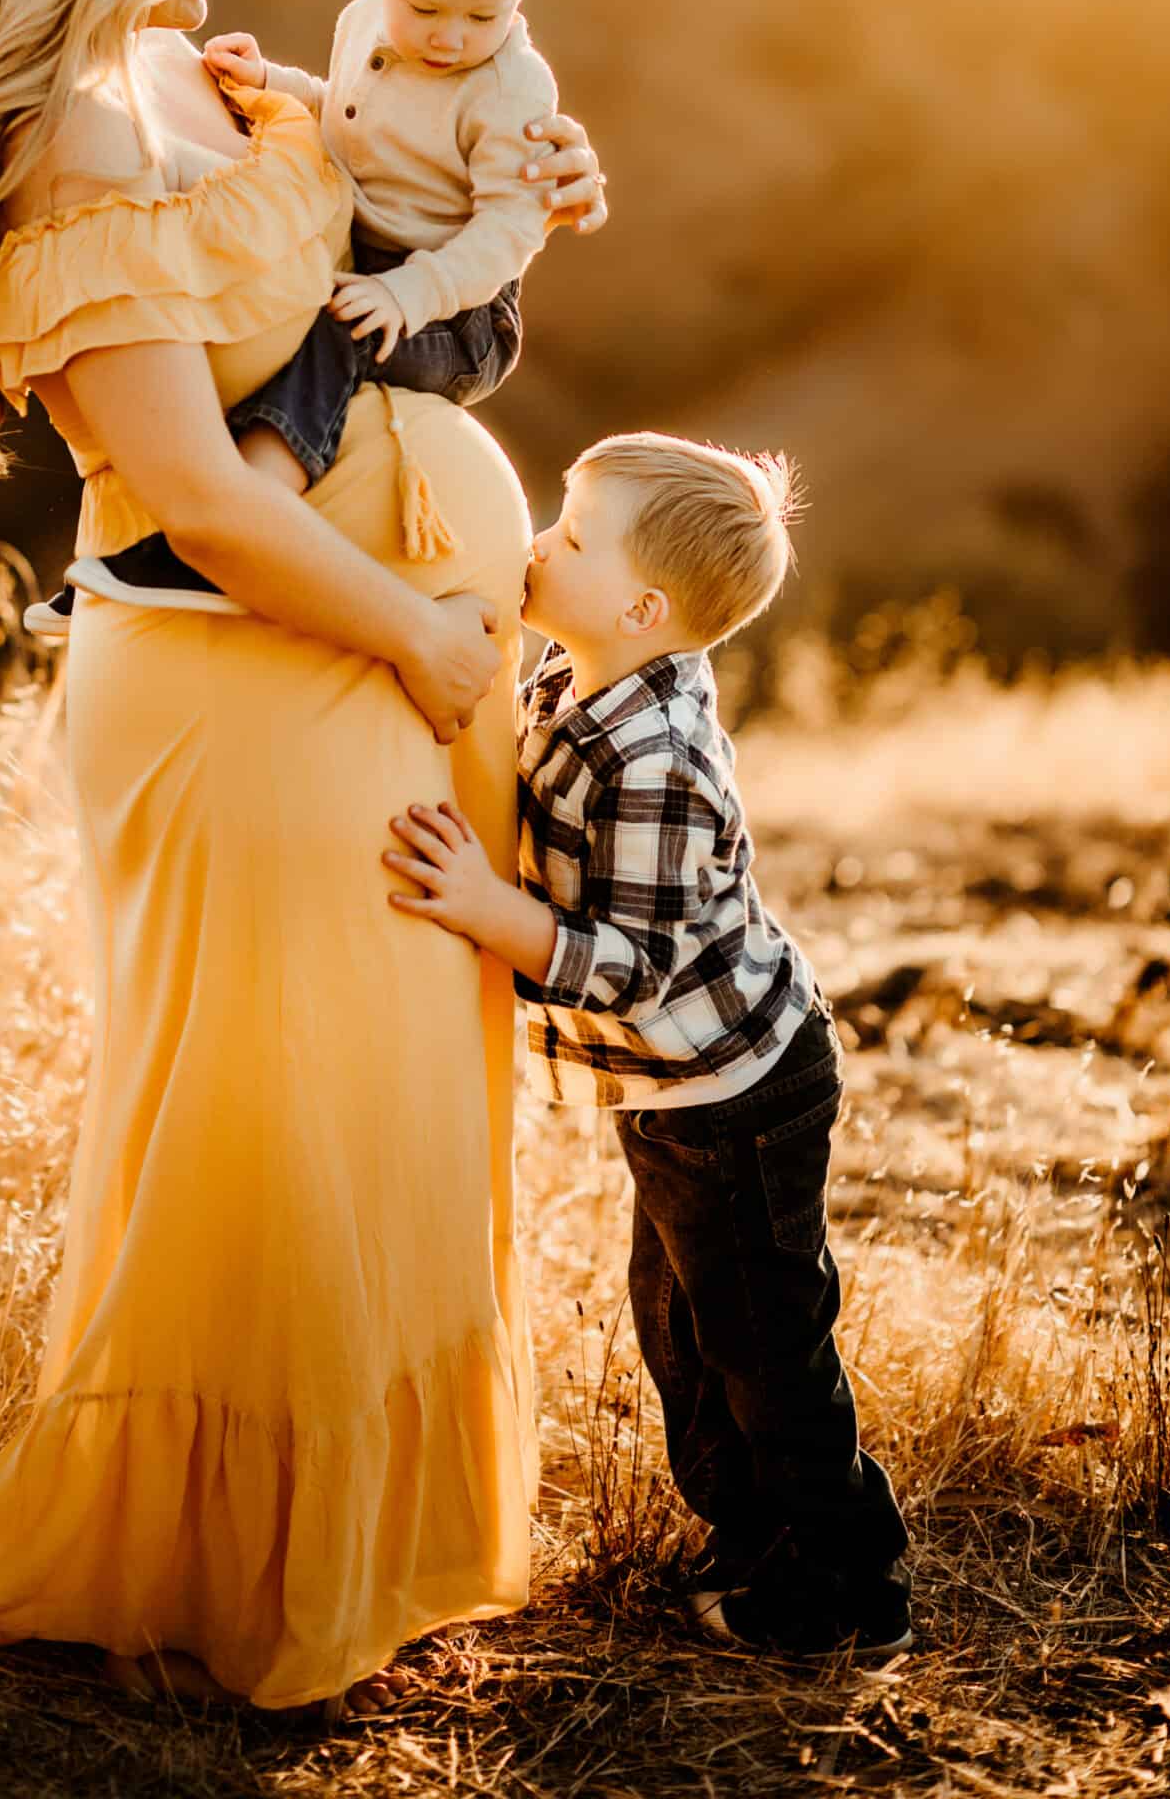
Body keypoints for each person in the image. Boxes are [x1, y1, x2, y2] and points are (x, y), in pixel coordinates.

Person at [0, 0, 608, 1715]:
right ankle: (235, 1567)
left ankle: (378, 1529)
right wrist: (429, 649)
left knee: (394, 1087)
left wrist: (519, 188)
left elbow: (353, 288)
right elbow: (212, 497)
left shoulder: (184, 74)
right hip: (249, 685)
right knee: (275, 1119)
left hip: (387, 648)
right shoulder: (57, 148)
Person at [382, 432, 914, 1664]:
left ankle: (843, 1585)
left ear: (641, 604)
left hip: (740, 1087)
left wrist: (484, 909)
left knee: (762, 1336)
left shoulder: (658, 755)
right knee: (677, 1326)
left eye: (568, 537)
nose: (536, 546)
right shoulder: (581, 676)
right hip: (677, 1088)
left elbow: (633, 963)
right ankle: (753, 1536)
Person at [28, 0, 564, 628]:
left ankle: (230, 521)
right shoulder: (368, 24)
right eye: (426, 10)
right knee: (275, 332)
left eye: (483, 16)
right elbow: (354, 120)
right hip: (378, 266)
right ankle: (165, 538)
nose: (449, 40)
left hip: (457, 309)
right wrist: (275, 86)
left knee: (333, 333)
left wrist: (407, 295)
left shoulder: (509, 90)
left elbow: (508, 230)